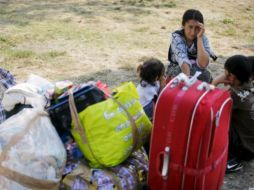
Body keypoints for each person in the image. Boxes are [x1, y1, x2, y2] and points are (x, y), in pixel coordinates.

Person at [212, 55, 254, 173]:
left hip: (245, 150)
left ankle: (232, 161)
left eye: (225, 73)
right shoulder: (249, 86)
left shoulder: (233, 95)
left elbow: (209, 104)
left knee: (216, 120)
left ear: (232, 76)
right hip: (251, 145)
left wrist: (215, 82)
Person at [166, 9, 217, 83]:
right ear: (183, 25)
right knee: (181, 75)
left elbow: (203, 64)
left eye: (197, 28)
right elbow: (183, 60)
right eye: (190, 27)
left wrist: (199, 38)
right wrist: (187, 81)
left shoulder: (203, 38)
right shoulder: (176, 36)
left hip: (197, 69)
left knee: (206, 76)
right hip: (177, 67)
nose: (193, 32)